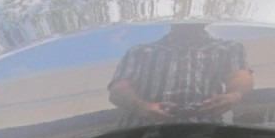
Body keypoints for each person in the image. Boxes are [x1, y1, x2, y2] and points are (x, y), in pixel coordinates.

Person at [108, 23, 253, 126]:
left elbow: (240, 76)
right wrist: (141, 106)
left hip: (205, 133)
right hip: (141, 134)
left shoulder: (228, 48)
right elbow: (119, 89)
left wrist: (233, 95)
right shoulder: (141, 51)